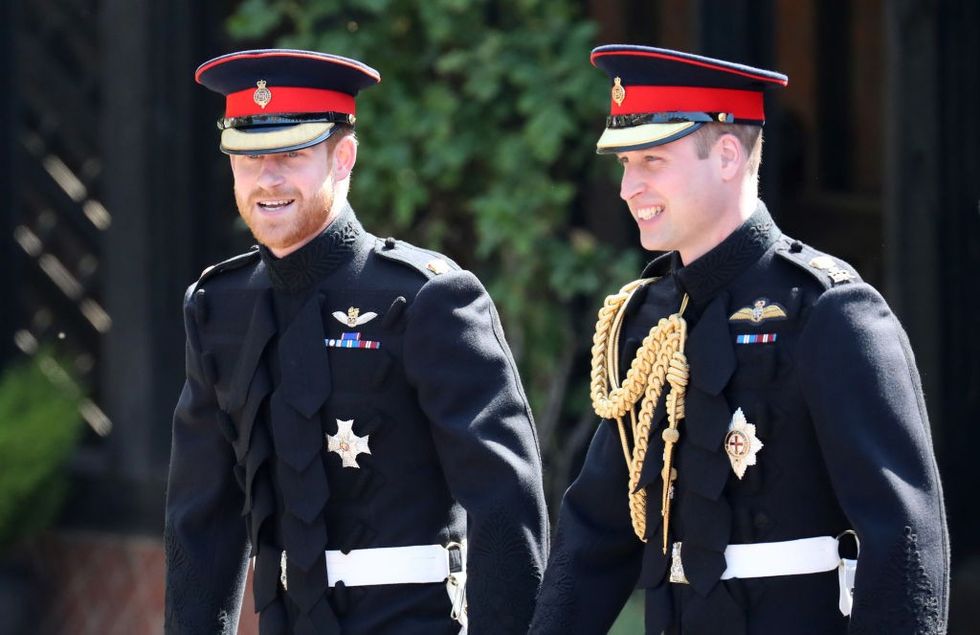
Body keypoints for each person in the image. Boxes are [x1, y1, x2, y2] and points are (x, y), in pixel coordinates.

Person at [529, 45, 949, 634]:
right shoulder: (647, 317)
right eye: (624, 164)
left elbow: (903, 541)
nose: (628, 187)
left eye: (651, 160)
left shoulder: (830, 310)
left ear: (727, 154)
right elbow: (596, 536)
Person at [164, 48, 549, 635]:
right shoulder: (218, 306)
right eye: (247, 157)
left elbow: (505, 504)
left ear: (343, 158)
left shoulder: (427, 299)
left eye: (291, 155)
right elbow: (202, 520)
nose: (267, 179)